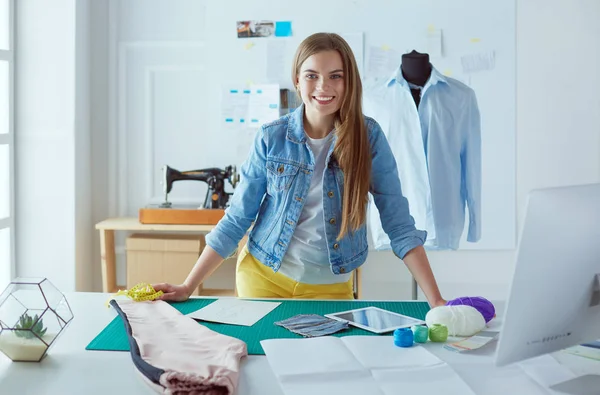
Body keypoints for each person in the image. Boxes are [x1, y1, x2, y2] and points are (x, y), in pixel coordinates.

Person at [153, 32, 446, 307]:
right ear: (297, 80)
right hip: (263, 278)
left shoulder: (368, 138)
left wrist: (437, 301)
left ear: (349, 82)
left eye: (335, 76)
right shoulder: (271, 137)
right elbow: (238, 218)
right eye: (312, 76)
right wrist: (188, 286)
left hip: (331, 288)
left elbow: (398, 223)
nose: (323, 86)